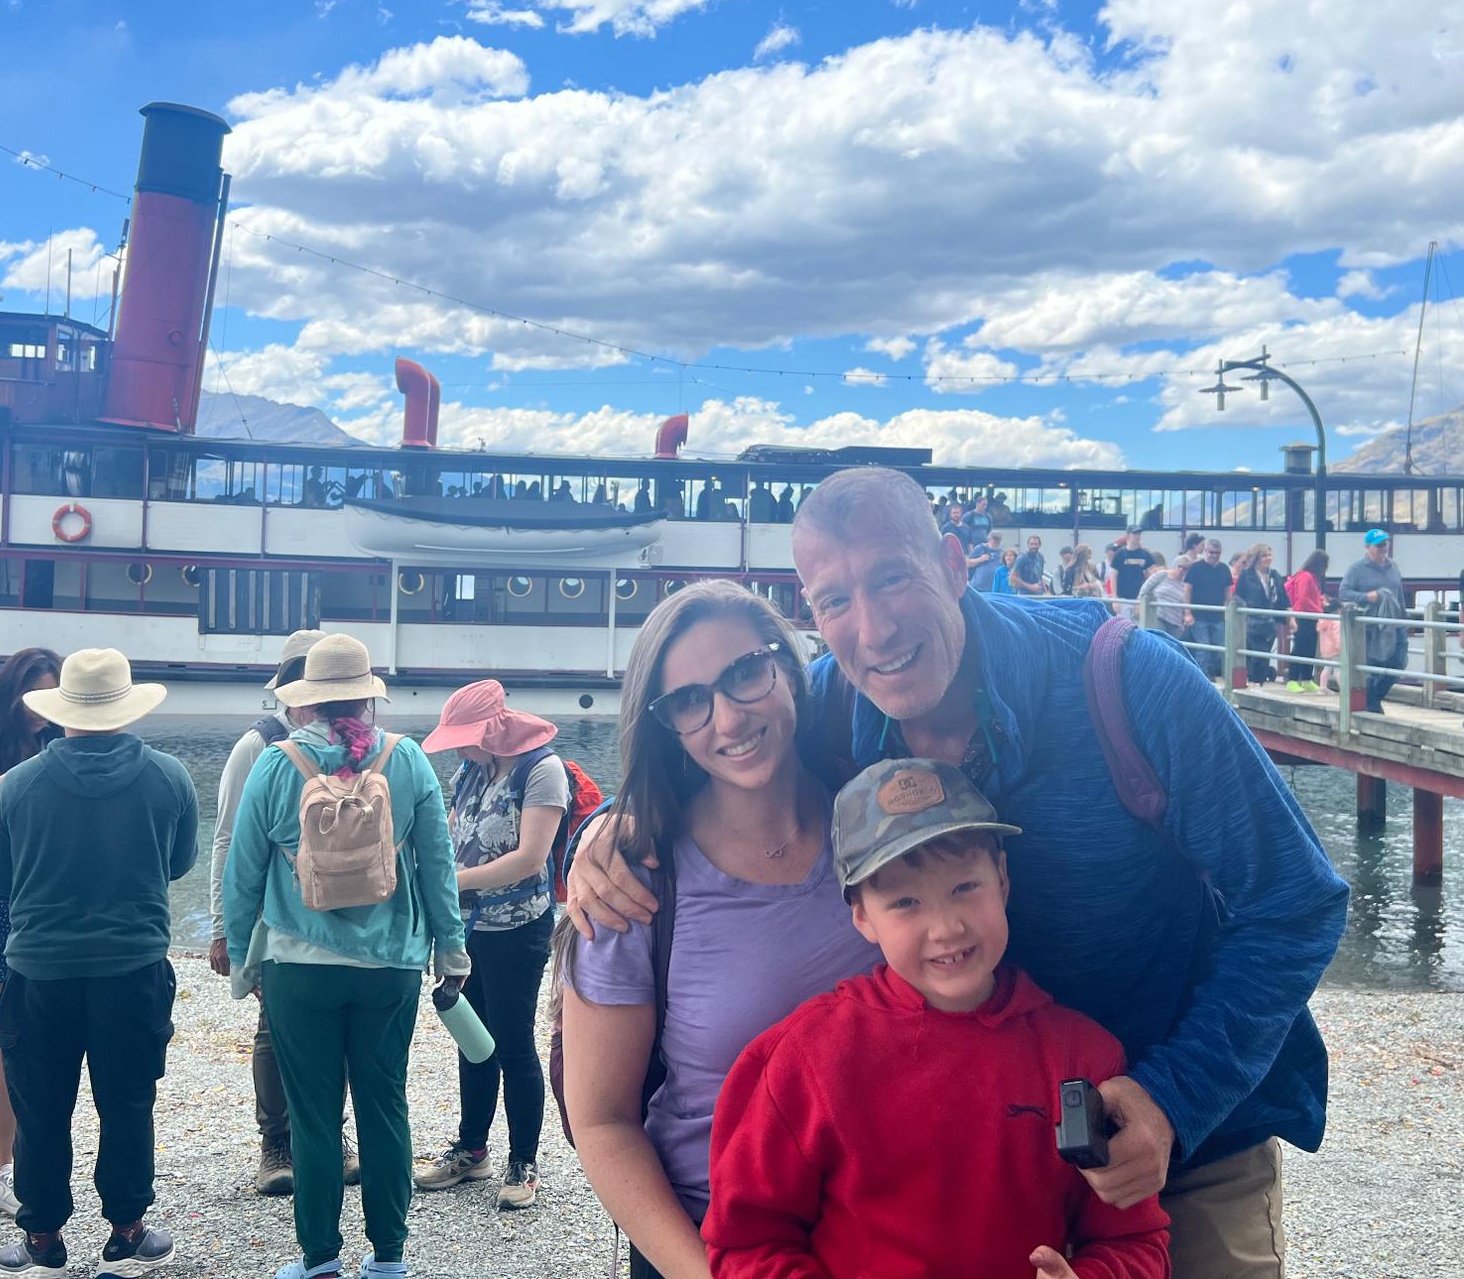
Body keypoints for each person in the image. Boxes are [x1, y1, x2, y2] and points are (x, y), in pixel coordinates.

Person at [570, 468, 1350, 1279]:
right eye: (835, 601)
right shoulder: (838, 704)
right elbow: (727, 759)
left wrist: (1172, 1098)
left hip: (1179, 1153)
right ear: (813, 614)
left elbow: (1296, 904)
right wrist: (615, 826)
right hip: (990, 1175)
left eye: (892, 578)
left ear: (952, 563)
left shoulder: (1127, 680)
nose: (872, 630)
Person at [703, 758, 1170, 1279]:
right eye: (905, 901)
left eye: (965, 887)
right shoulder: (801, 1058)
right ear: (861, 916)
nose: (946, 927)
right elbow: (745, 1244)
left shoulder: (1085, 1057)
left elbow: (1135, 1239)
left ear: (1003, 880)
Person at [560, 581, 881, 1279]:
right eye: (688, 701)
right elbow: (603, 1121)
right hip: (715, 1240)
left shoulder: (881, 834)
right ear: (665, 725)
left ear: (789, 670)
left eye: (744, 674)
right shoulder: (635, 881)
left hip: (885, 1236)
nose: (727, 719)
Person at [223, 633, 470, 1279]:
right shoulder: (408, 760)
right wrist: (452, 949)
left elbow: (243, 871)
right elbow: (439, 864)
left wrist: (244, 963)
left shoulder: (277, 764)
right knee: (385, 1104)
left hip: (297, 968)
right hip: (391, 967)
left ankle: (320, 1258)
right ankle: (388, 1256)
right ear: (367, 700)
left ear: (305, 703)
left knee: (313, 1114)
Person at [0, 649, 197, 1279]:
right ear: (126, 708)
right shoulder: (171, 778)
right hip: (133, 966)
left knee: (41, 1105)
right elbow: (179, 863)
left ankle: (43, 1241)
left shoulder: (17, 787)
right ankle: (128, 1234)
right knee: (128, 1100)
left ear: (63, 711)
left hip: (39, 970)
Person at [412, 682, 568, 1211]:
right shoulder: (472, 769)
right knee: (471, 1038)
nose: (457, 748)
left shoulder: (542, 770)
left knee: (513, 1043)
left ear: (492, 729)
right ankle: (472, 1147)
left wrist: (449, 882)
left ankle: (524, 1160)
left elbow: (530, 858)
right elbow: (451, 832)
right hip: (468, 927)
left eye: (464, 738)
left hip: (519, 927)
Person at [208, 629, 337, 1197]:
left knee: (337, 1028)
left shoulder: (353, 745)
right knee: (273, 1029)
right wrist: (222, 929)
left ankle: (328, 1135)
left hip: (338, 914)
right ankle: (276, 1142)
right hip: (271, 917)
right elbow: (227, 841)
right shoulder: (257, 747)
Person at [0, 649, 61, 1219]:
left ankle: (0, 1170)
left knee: (8, 1043)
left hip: (15, 899)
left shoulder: (53, 744)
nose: (39, 714)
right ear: (11, 695)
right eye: (32, 701)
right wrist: (6, 784)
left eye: (48, 701)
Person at [1338, 529, 1408, 713]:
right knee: (1373, 667)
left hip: (1395, 622)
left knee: (1399, 662)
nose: (1384, 548)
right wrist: (1367, 596)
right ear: (1368, 547)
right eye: (1379, 545)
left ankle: (1373, 698)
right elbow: (1344, 593)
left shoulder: (1394, 566)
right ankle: (1372, 704)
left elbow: (1399, 594)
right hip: (1370, 626)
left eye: (1385, 544)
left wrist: (1405, 620)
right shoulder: (1356, 569)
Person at [1235, 545, 1292, 686]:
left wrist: (1290, 619)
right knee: (1258, 650)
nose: (1268, 558)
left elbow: (1283, 598)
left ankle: (1259, 682)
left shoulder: (1274, 575)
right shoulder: (1247, 574)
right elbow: (1238, 596)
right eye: (1264, 556)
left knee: (1265, 652)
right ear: (1257, 558)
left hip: (1270, 621)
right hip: (1253, 620)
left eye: (1269, 555)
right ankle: (1255, 680)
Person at [1183, 539, 1234, 679]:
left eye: (1217, 553)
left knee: (1219, 646)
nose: (1214, 555)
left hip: (1218, 615)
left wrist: (1227, 611)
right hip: (1198, 615)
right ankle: (1202, 676)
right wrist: (1187, 612)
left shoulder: (1224, 569)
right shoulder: (1195, 568)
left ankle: (1213, 673)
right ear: (1205, 551)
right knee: (1203, 647)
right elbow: (1187, 591)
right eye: (1211, 552)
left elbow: (1227, 592)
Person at [1284, 550, 1328, 693]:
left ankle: (1307, 678)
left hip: (1311, 617)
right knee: (1300, 648)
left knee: (1309, 648)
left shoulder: (1311, 577)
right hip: (1304, 617)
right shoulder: (1306, 577)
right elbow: (1303, 599)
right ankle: (1293, 679)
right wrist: (1319, 610)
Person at [1142, 556, 1194, 640]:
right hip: (1159, 616)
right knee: (1159, 641)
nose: (1181, 570)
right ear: (1175, 566)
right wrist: (1139, 605)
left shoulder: (1187, 583)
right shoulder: (1163, 574)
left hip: (1176, 621)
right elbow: (1145, 589)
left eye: (1185, 568)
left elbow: (1188, 601)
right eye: (1179, 566)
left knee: (1171, 645)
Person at [1111, 530, 1156, 610]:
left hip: (1139, 599)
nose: (1137, 536)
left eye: (1139, 534)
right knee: (1124, 622)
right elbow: (1113, 577)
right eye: (1135, 534)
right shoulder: (1120, 554)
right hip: (1122, 599)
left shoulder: (1145, 554)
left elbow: (1151, 577)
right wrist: (1115, 599)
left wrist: (1147, 596)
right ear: (1128, 535)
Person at [1315, 602, 1342, 695]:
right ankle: (1344, 689)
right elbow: (1337, 637)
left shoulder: (1323, 621)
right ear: (1338, 610)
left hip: (1325, 649)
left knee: (1327, 668)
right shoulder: (1337, 622)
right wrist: (1341, 647)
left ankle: (1322, 688)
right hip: (1335, 649)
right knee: (1338, 670)